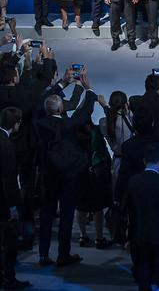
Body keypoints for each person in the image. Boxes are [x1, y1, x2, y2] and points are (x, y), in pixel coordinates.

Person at [37, 68, 96, 267]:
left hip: (48, 174)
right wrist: (88, 90)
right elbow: (86, 111)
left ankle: (43, 255)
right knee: (66, 215)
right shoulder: (68, 124)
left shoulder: (39, 124)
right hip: (69, 175)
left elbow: (43, 99)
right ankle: (64, 255)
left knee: (47, 213)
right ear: (61, 110)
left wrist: (62, 82)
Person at [125, 144, 159, 291]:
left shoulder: (133, 181)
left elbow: (128, 205)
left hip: (141, 231)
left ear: (144, 161)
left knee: (144, 268)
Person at [0, 107, 30, 289]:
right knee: (10, 244)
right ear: (16, 123)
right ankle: (9, 279)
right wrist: (12, 207)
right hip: (4, 202)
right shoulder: (7, 145)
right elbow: (8, 179)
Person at [75, 114, 113, 250]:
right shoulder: (95, 131)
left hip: (79, 171)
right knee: (97, 208)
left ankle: (82, 235)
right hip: (97, 172)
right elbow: (102, 149)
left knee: (80, 206)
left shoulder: (74, 133)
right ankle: (99, 238)